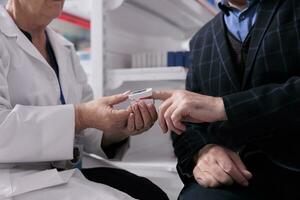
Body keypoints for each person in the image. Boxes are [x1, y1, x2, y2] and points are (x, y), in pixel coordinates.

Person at [0, 0, 169, 199]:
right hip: (16, 179)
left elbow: (87, 134)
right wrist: (80, 117)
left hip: (64, 171)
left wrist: (116, 130)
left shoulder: (64, 48)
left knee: (152, 194)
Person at [152, 0, 300, 199]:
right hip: (232, 179)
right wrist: (202, 150)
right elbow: (186, 125)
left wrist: (223, 107)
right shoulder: (201, 41)